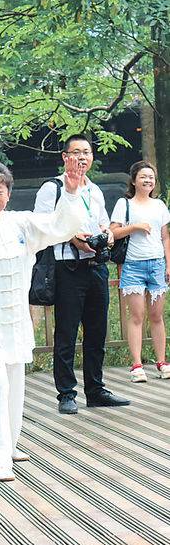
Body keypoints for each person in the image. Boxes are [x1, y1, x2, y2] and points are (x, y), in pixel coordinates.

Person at [0, 159, 85, 480]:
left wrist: (71, 194)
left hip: (14, 323)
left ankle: (8, 445)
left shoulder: (20, 223)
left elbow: (60, 226)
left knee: (13, 387)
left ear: (9, 193)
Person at [33, 134, 130, 414]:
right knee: (67, 332)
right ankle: (66, 393)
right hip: (68, 267)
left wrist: (106, 235)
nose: (82, 157)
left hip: (96, 266)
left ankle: (96, 389)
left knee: (97, 331)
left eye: (86, 152)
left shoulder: (95, 190)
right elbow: (41, 226)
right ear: (65, 157)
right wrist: (73, 238)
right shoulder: (52, 188)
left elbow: (103, 223)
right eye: (76, 152)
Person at [109, 161, 170, 382]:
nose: (148, 180)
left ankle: (162, 362)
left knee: (157, 316)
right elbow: (113, 232)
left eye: (151, 177)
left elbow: (165, 237)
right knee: (136, 316)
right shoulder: (124, 204)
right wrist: (134, 227)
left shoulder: (160, 205)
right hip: (133, 265)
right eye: (143, 176)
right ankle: (136, 365)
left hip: (157, 264)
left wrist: (168, 265)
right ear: (134, 180)